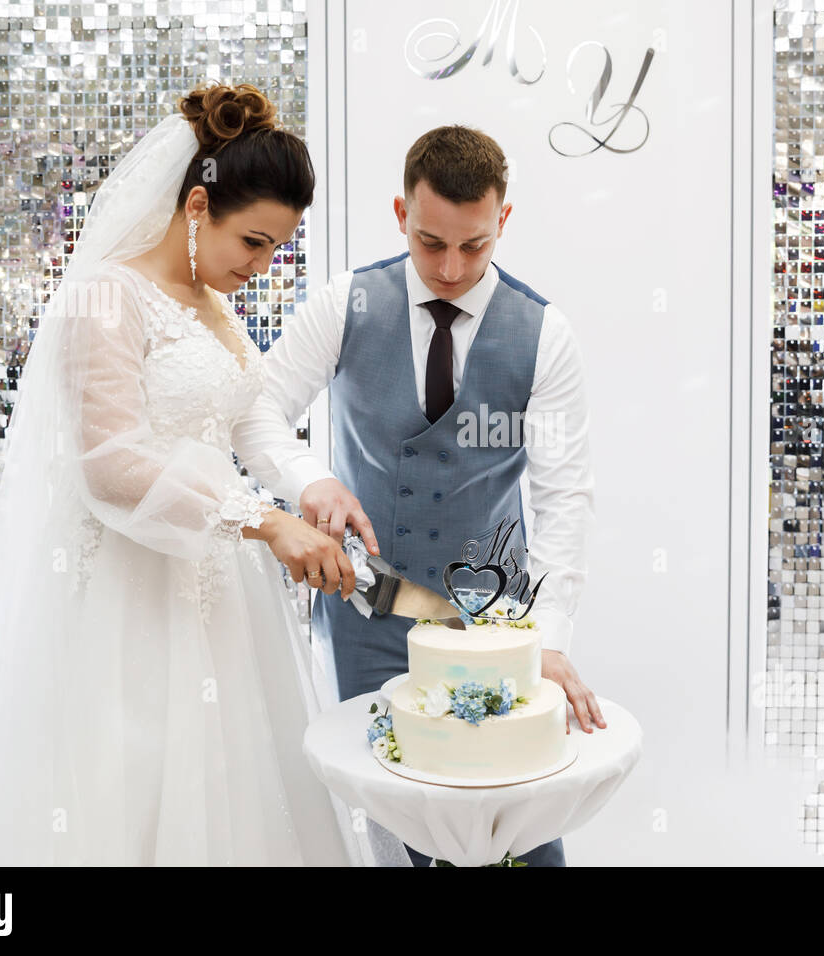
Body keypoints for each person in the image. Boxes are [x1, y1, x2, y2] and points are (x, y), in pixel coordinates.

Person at [0, 83, 359, 865]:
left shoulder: (213, 305)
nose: (263, 267)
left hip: (213, 595)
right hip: (124, 600)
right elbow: (111, 462)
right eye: (254, 243)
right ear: (198, 206)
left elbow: (244, 420)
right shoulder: (107, 295)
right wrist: (261, 520)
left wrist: (310, 489)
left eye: (278, 250)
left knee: (231, 793)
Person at [232, 125, 605, 867]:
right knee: (398, 821)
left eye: (474, 246)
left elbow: (565, 497)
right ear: (401, 213)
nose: (450, 266)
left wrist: (549, 639)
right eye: (432, 242)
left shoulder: (545, 335)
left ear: (504, 221)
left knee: (515, 828)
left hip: (496, 622)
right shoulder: (348, 304)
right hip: (371, 609)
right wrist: (312, 479)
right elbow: (255, 408)